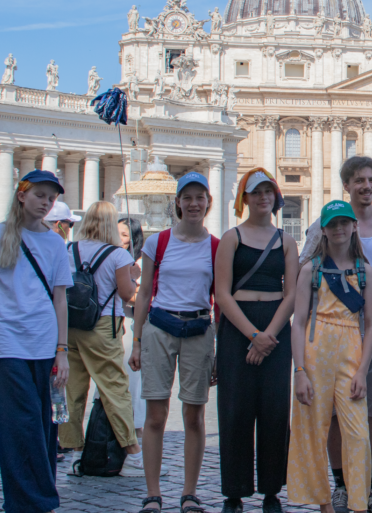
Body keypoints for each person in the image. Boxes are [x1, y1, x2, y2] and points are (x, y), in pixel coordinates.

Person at [299, 157, 372, 513]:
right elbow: (305, 273)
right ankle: (342, 485)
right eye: (359, 180)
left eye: (371, 179)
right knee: (331, 416)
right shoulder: (323, 225)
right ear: (347, 185)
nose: (367, 186)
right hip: (334, 337)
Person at [0, 170, 74, 513]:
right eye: (40, 195)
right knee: (19, 425)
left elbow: (61, 299)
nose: (46, 203)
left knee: (44, 426)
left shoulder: (56, 242)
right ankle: (31, 501)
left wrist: (63, 351)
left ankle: (35, 497)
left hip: (44, 345)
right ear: (22, 195)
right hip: (5, 345)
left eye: (51, 198)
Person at [130, 172, 219, 513]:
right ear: (178, 203)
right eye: (188, 197)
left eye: (200, 197)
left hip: (198, 329)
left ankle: (189, 492)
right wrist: (137, 340)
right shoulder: (158, 242)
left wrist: (218, 350)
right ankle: (153, 493)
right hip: (161, 326)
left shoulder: (216, 246)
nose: (194, 203)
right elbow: (143, 295)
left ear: (207, 203)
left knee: (194, 415)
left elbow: (219, 299)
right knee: (156, 414)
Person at [214, 168, 298, 513]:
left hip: (275, 327)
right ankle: (234, 490)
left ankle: (271, 489)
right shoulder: (231, 237)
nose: (264, 197)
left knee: (275, 410)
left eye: (269, 191)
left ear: (275, 197)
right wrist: (252, 334)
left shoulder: (286, 241)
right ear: (245, 198)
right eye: (256, 192)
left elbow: (291, 294)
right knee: (235, 409)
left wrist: (269, 335)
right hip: (239, 326)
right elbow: (221, 292)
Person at [289, 200, 372, 513]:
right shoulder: (309, 270)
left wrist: (363, 371)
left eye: (345, 222)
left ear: (354, 226)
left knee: (358, 434)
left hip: (351, 353)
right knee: (312, 430)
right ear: (323, 230)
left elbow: (371, 323)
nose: (339, 229)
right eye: (332, 224)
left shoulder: (365, 272)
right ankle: (325, 504)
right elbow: (298, 322)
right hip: (315, 353)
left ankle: (358, 504)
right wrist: (300, 370)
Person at [59, 201, 144, 474]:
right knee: (114, 388)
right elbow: (126, 294)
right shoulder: (118, 255)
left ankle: (74, 446)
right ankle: (132, 448)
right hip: (103, 325)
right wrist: (133, 277)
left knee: (72, 389)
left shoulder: (69, 250)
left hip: (71, 325)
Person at [119, 217, 148, 443]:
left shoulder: (141, 261)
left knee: (134, 381)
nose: (120, 240)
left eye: (125, 235)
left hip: (133, 325)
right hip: (114, 326)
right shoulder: (113, 257)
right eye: (117, 233)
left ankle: (137, 430)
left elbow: (144, 297)